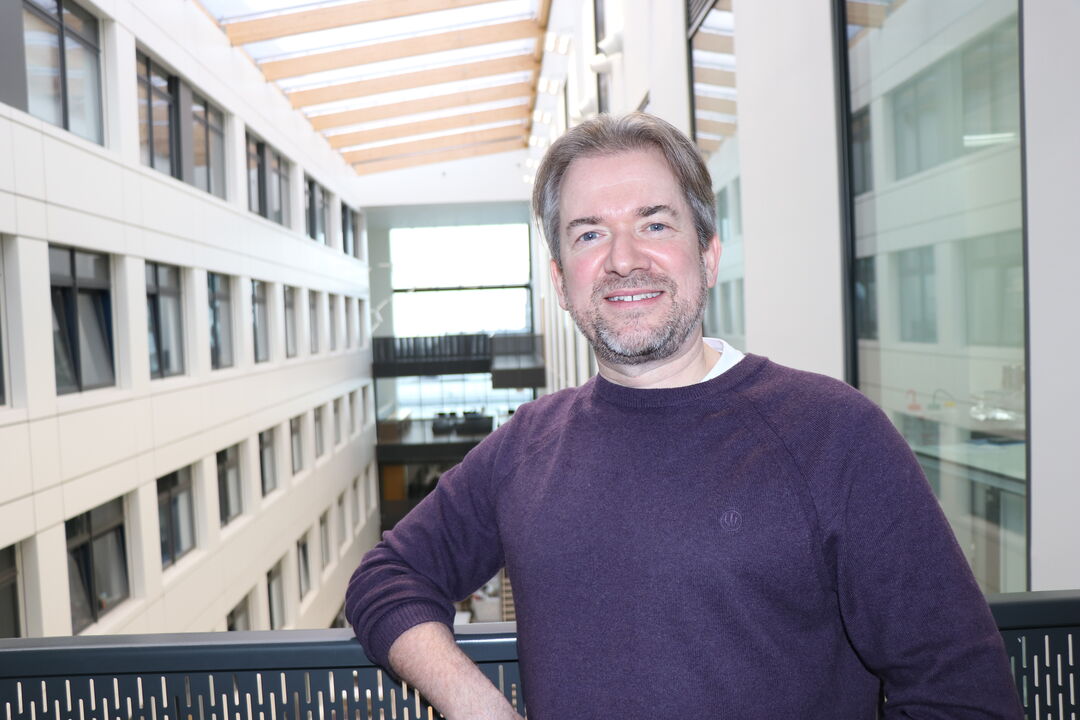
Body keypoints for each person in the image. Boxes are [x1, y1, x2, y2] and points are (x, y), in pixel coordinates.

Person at [345, 112, 1023, 719]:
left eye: (655, 223)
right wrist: (476, 705)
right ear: (559, 281)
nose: (623, 259)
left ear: (708, 254)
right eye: (589, 235)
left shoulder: (832, 433)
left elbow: (962, 695)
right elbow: (385, 577)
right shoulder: (529, 444)